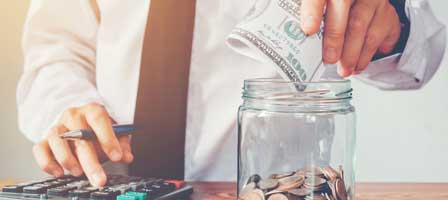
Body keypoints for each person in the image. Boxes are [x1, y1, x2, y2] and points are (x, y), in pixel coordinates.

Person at [17, 0, 445, 187]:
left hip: (276, 185)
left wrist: (393, 26)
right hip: (117, 181)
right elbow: (54, 46)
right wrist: (66, 104)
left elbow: (423, 51)